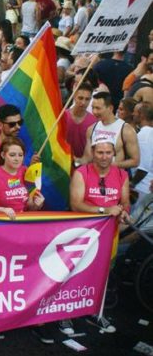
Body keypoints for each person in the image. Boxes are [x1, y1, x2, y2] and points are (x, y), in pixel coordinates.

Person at [69, 136, 129, 334]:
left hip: (109, 235)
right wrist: (104, 210)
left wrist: (124, 212)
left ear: (114, 154)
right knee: (75, 273)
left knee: (102, 274)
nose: (104, 157)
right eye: (100, 152)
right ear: (93, 152)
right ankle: (65, 314)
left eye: (108, 153)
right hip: (83, 233)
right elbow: (76, 203)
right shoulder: (81, 172)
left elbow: (125, 201)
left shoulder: (121, 174)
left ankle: (96, 312)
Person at [0, 138, 45, 219]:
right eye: (12, 155)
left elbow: (29, 207)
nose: (17, 159)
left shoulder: (26, 171)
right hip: (1, 226)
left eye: (20, 155)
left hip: (24, 225)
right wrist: (0, 210)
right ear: (3, 155)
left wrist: (37, 205)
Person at [79, 91, 139, 170]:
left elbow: (135, 161)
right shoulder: (91, 129)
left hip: (115, 179)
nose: (94, 112)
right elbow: (87, 158)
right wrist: (74, 161)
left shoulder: (126, 130)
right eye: (93, 108)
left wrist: (112, 164)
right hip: (94, 179)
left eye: (98, 108)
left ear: (110, 108)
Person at [65, 83, 98, 159]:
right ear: (74, 96)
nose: (83, 103)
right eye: (80, 98)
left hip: (83, 166)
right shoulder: (62, 117)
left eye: (87, 99)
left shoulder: (94, 122)